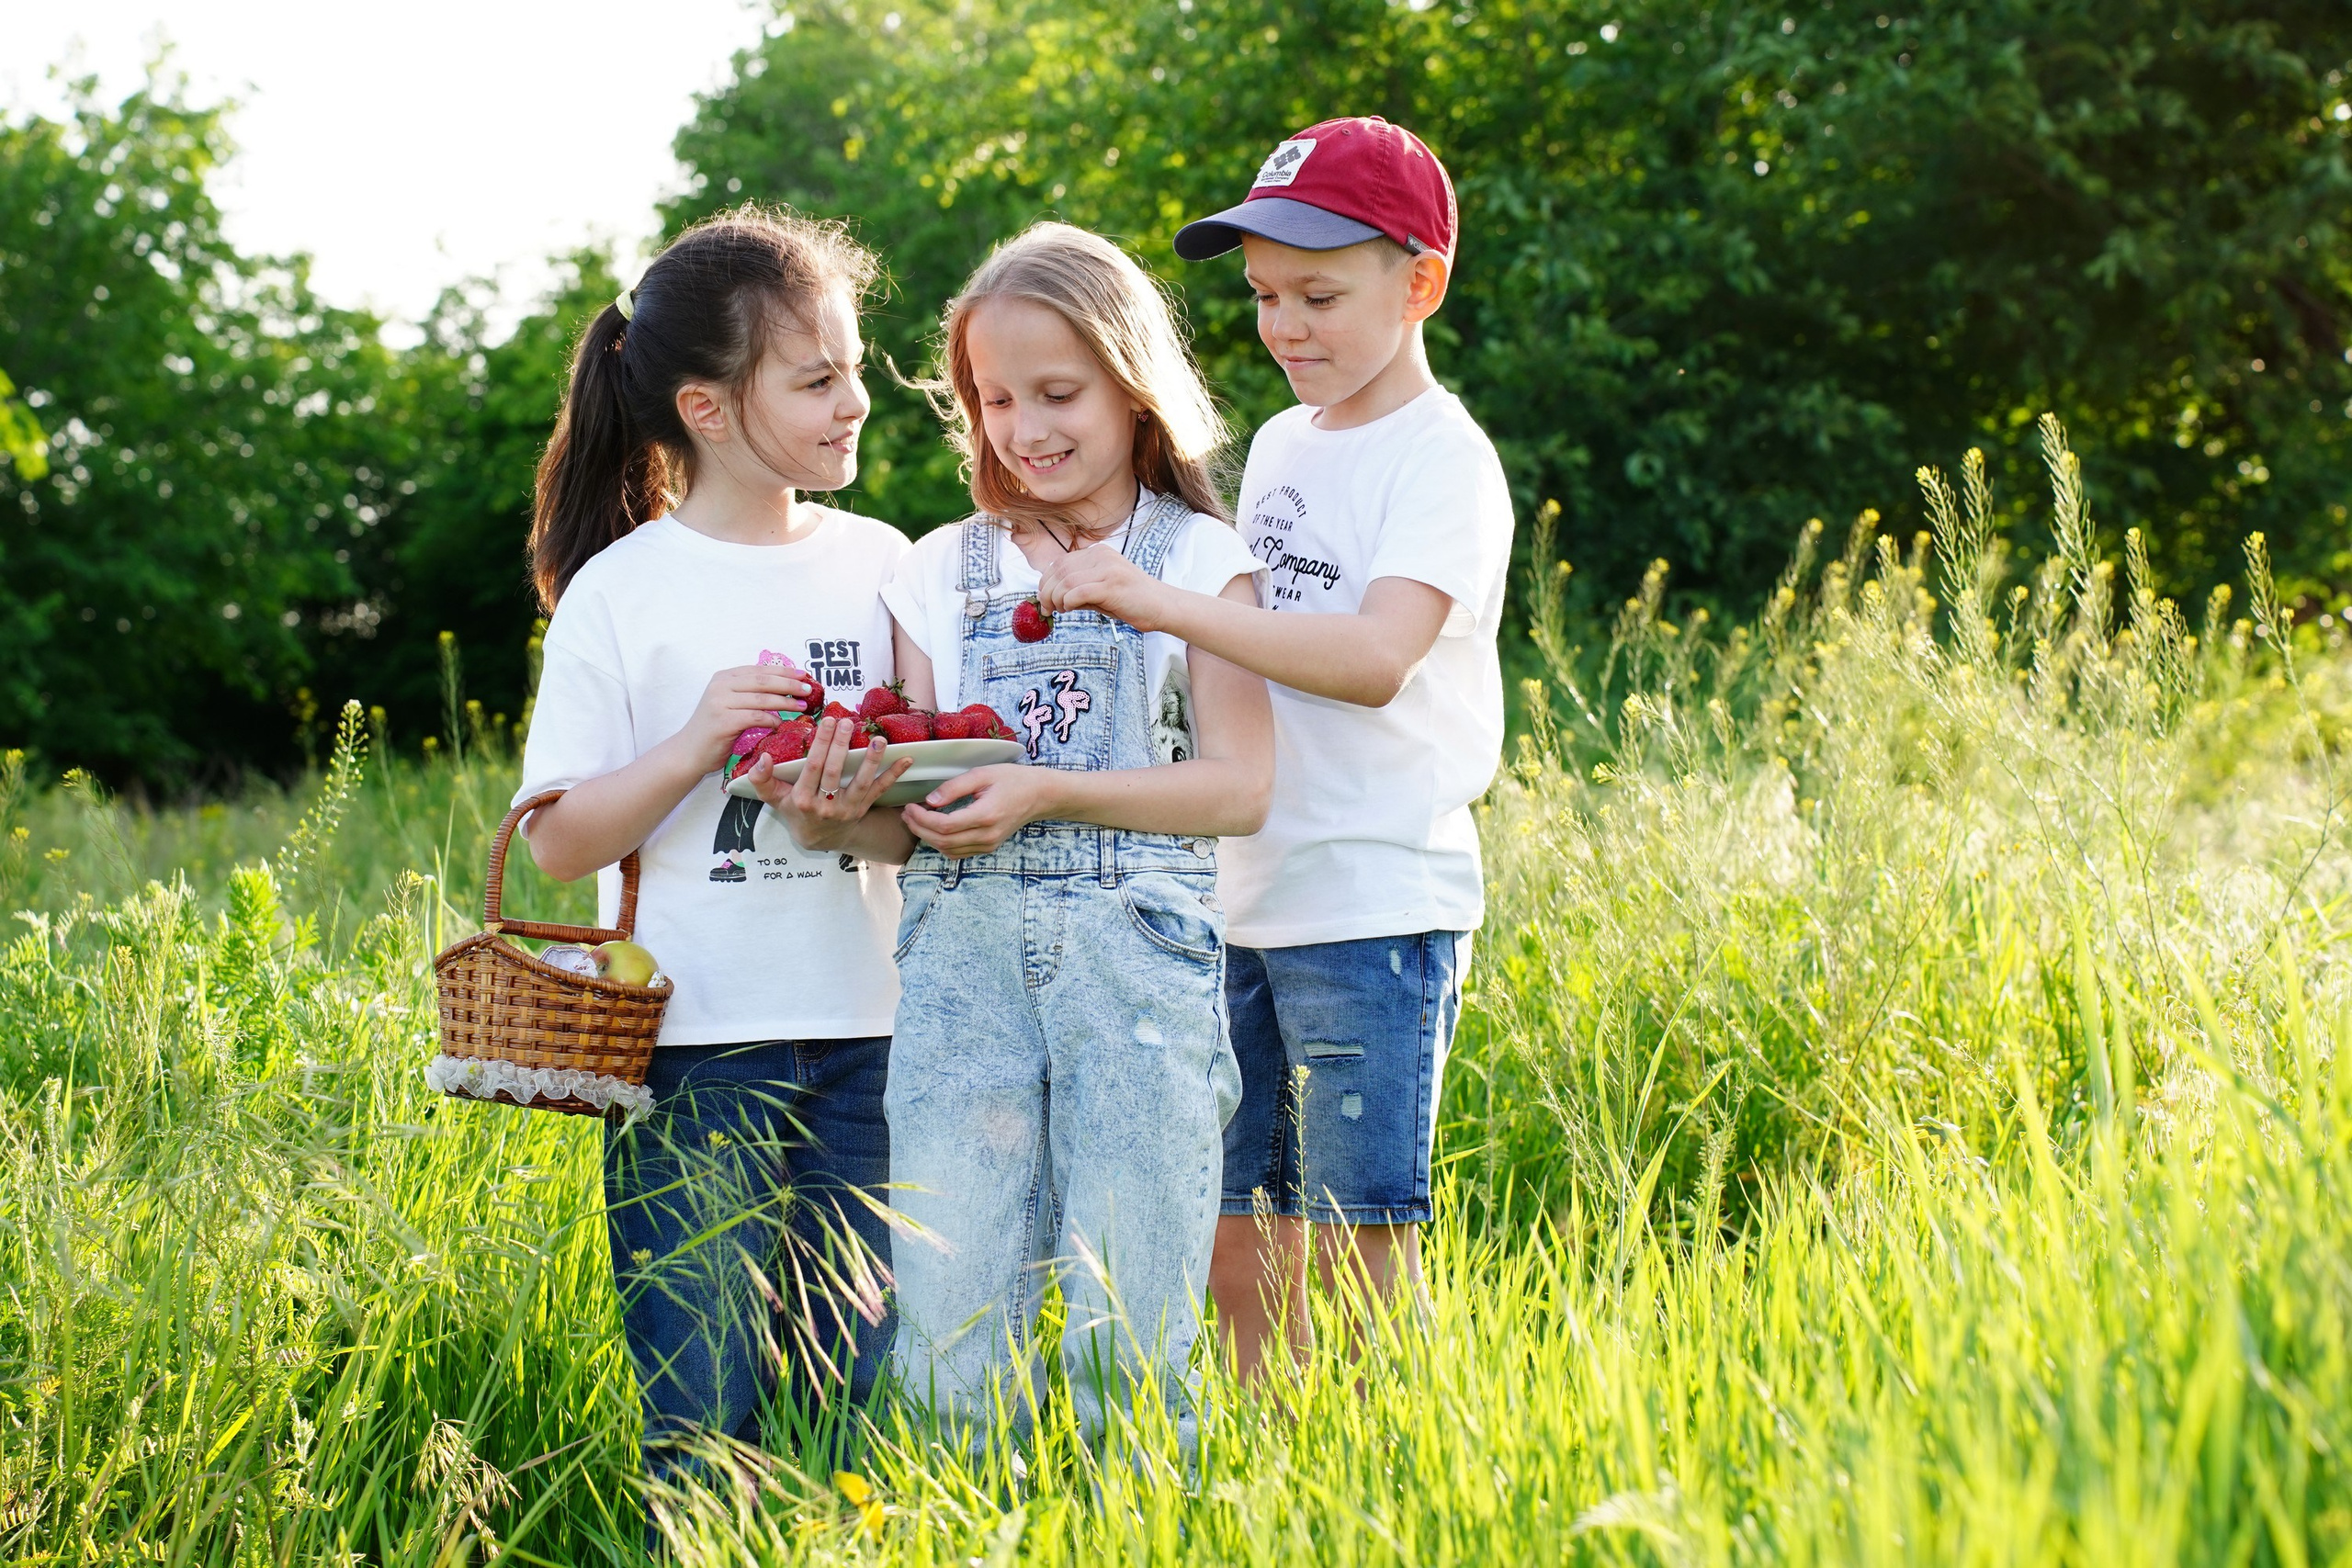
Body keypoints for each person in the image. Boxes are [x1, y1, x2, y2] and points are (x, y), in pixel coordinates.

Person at [1035, 118, 1516, 1381]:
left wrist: (1161, 605)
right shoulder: (1293, 446)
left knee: (1360, 1219)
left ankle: (1368, 1446)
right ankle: (1264, 1448)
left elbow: (1369, 659)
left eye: (1318, 294)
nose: (1284, 326)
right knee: (1236, 1203)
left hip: (1372, 896)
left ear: (1420, 284)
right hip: (1245, 891)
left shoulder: (1443, 462)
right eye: (1260, 296)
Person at [512, 207, 919, 1526]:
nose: (857, 400)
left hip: (874, 1037)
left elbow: (914, 828)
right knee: (701, 1400)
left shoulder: (883, 567)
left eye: (855, 366)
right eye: (816, 380)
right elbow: (562, 838)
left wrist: (849, 807)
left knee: (847, 1396)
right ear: (708, 407)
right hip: (696, 1052)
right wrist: (698, 742)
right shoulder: (624, 593)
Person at [874, 221, 1273, 1450]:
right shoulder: (941, 569)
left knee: (1132, 1305)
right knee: (950, 1305)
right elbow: (898, 829)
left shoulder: (1204, 562)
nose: (1025, 429)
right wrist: (849, 793)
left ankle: (1141, 1518)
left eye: (1059, 393)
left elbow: (1238, 789)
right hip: (960, 962)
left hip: (1136, 959)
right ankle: (958, 1524)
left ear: (1133, 385)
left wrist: (1048, 792)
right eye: (995, 399)